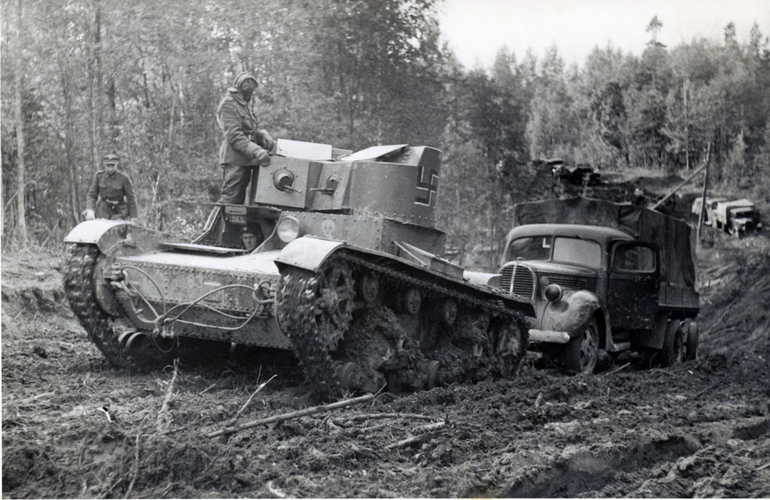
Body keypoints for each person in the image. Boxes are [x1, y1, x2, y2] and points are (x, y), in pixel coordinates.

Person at [216, 72, 276, 205]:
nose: (251, 93)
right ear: (241, 88)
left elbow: (249, 129)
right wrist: (256, 151)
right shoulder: (229, 104)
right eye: (249, 90)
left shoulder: (243, 104)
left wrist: (262, 134)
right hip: (235, 160)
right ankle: (214, 226)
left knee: (245, 205)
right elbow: (234, 135)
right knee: (230, 201)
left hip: (247, 160)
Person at [85, 152, 138, 222]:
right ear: (104, 165)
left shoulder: (124, 178)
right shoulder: (99, 177)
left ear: (116, 165)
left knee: (118, 229)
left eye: (113, 165)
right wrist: (90, 210)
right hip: (103, 211)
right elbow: (92, 195)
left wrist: (133, 217)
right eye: (108, 165)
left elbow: (131, 199)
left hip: (119, 212)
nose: (110, 168)